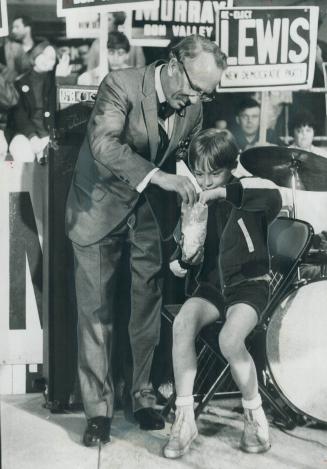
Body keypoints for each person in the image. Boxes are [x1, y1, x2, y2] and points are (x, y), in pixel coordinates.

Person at [65, 34, 227, 447]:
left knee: (146, 307)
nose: (194, 101)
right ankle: (98, 411)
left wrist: (214, 181)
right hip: (96, 208)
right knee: (96, 313)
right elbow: (104, 143)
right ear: (174, 64)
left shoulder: (191, 109)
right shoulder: (120, 84)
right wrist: (160, 177)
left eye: (205, 96)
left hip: (146, 213)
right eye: (193, 88)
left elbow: (190, 157)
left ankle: (141, 397)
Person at [163, 128, 282, 459]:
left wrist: (219, 193)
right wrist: (185, 256)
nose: (205, 181)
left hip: (249, 284)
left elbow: (272, 194)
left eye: (213, 173)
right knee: (182, 324)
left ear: (231, 166)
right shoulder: (194, 201)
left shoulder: (249, 193)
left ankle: (254, 416)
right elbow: (181, 258)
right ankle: (185, 419)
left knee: (230, 340)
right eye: (199, 174)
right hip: (213, 287)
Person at [9, 41, 56, 163]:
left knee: (51, 161)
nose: (47, 60)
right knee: (24, 155)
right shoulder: (19, 83)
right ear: (35, 54)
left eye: (52, 58)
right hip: (24, 133)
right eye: (44, 54)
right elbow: (18, 114)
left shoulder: (55, 83)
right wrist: (32, 136)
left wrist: (61, 79)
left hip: (48, 133)